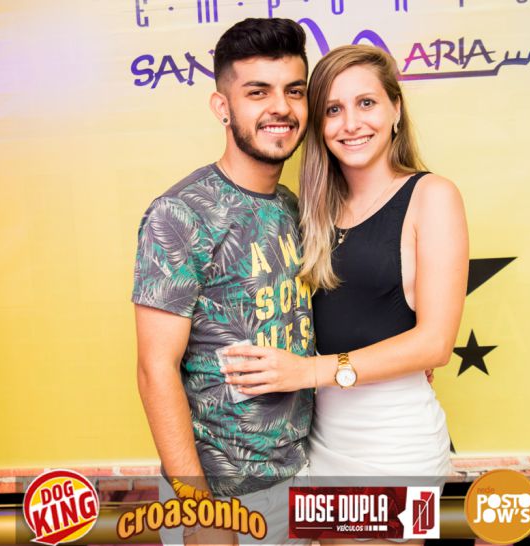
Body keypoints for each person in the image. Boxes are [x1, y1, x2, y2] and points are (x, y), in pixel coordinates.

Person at [223, 44, 468, 494]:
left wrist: (307, 371)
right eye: (333, 109)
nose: (351, 123)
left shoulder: (432, 195)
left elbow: (435, 344)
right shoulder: (311, 212)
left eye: (366, 103)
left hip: (396, 447)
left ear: (396, 109)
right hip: (319, 443)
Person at [132, 18, 315, 545]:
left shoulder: (290, 206)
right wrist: (199, 512)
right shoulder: (180, 214)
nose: (280, 107)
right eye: (257, 92)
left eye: (294, 91)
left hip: (304, 475)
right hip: (223, 499)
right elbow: (154, 369)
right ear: (222, 107)